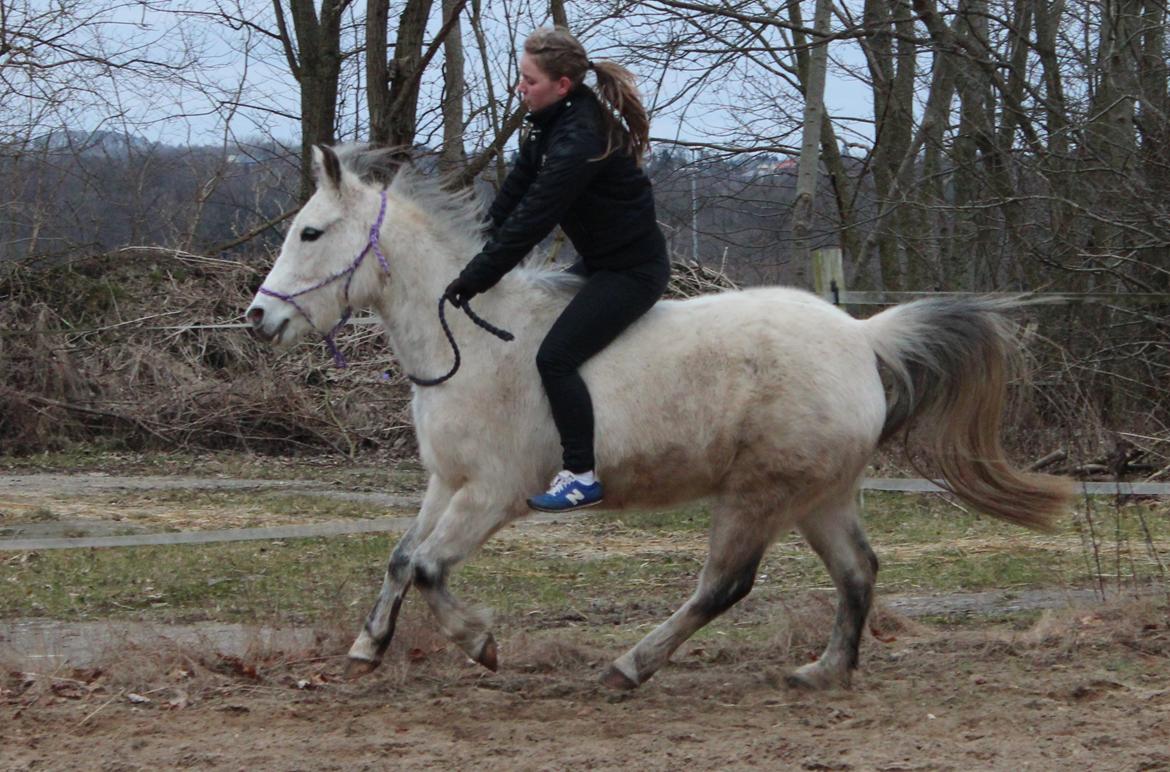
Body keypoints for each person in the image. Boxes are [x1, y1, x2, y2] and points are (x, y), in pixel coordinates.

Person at [443, 27, 670, 513]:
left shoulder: (580, 138)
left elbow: (535, 217)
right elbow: (514, 196)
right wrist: (469, 251)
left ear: (561, 85)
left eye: (529, 80)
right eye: (520, 78)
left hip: (632, 272)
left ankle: (581, 474)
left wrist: (479, 275)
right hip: (600, 263)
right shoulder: (547, 124)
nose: (520, 88)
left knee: (556, 358)